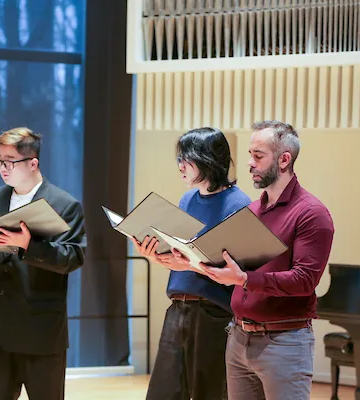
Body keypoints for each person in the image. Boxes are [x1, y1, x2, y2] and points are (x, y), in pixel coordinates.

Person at [0, 127, 86, 400]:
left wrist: (28, 246)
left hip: (40, 331)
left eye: (10, 160)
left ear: (32, 163)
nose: (2, 167)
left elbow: (72, 258)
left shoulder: (64, 204)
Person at [203, 120, 335, 400]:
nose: (250, 163)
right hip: (239, 337)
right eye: (250, 154)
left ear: (284, 159)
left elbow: (304, 281)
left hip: (284, 343)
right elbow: (232, 265)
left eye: (258, 156)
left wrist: (244, 279)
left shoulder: (311, 213)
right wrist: (185, 260)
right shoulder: (252, 210)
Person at [135, 127, 251, 400]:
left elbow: (236, 270)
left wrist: (188, 265)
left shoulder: (238, 204)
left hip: (213, 313)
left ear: (207, 159)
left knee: (207, 392)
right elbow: (182, 259)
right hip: (178, 308)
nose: (180, 166)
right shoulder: (187, 199)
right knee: (164, 392)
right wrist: (156, 255)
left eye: (187, 158)